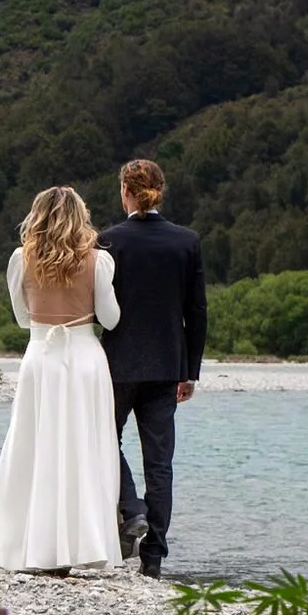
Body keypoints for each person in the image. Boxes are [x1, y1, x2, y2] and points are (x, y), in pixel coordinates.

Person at [0, 186, 126, 574]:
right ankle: (84, 544)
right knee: (84, 449)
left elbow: (21, 318)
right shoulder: (99, 261)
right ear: (80, 216)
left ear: (37, 216)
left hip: (41, 358)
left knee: (35, 447)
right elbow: (111, 319)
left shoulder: (20, 259)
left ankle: (32, 546)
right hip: (84, 360)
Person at [99, 158, 206, 578]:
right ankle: (154, 557)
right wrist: (190, 370)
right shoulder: (186, 241)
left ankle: (132, 508)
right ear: (160, 190)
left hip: (119, 363)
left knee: (106, 440)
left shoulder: (108, 241)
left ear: (125, 191)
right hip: (167, 366)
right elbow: (196, 312)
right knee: (160, 462)